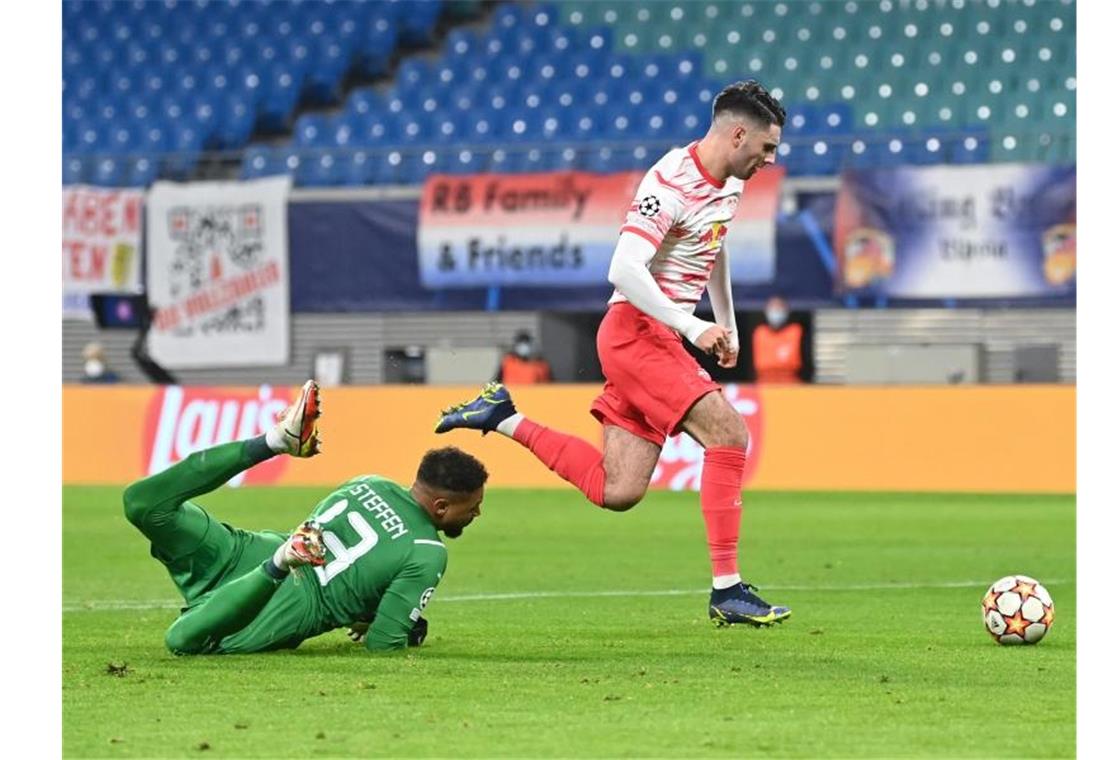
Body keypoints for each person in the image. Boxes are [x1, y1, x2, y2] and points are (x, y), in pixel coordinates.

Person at [436, 80, 791, 628]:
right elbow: (623, 269)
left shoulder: (730, 184)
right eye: (767, 148)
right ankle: (727, 589)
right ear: (738, 134)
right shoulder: (669, 183)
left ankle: (502, 418)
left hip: (660, 335)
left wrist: (725, 322)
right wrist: (689, 324)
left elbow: (712, 247)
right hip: (635, 331)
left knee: (618, 489)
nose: (770, 159)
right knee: (730, 434)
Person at [123, 380, 488, 655]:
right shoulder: (427, 550)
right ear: (441, 507)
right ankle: (280, 562)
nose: (476, 513)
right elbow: (383, 643)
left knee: (143, 503)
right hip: (281, 606)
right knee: (183, 640)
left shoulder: (369, 482)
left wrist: (366, 609)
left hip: (246, 552)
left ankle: (274, 441)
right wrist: (384, 621)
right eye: (471, 507)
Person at [752, 295, 804, 384]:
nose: (776, 311)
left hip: (791, 384)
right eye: (773, 307)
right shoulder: (760, 333)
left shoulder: (796, 332)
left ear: (786, 311)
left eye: (779, 307)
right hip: (764, 384)